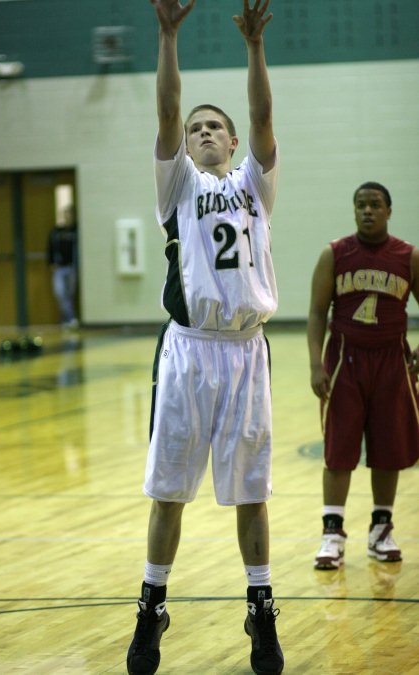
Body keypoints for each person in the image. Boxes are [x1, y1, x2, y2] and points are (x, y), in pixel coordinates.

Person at [126, 1, 284, 674]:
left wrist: (254, 49)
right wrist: (167, 34)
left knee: (252, 491)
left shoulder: (253, 184)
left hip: (246, 351)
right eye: (197, 128)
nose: (205, 132)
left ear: (230, 141)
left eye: (214, 126)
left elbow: (264, 121)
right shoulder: (178, 186)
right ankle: (151, 602)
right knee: (169, 491)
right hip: (190, 350)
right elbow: (165, 111)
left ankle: (261, 606)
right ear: (185, 146)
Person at [307, 181, 419, 571]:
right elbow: (317, 312)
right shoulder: (335, 253)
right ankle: (332, 533)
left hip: (392, 362)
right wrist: (314, 363)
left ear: (389, 210)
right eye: (361, 205)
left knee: (389, 449)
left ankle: (381, 528)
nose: (367, 211)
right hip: (345, 361)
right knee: (339, 450)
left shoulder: (408, 256)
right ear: (353, 211)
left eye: (375, 205)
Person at [47, 204, 79, 329]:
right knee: (60, 293)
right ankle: (70, 318)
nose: (67, 217)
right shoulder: (56, 232)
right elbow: (50, 248)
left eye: (70, 214)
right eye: (66, 214)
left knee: (70, 294)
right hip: (59, 268)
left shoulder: (76, 231)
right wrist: (51, 262)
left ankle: (66, 319)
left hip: (72, 266)